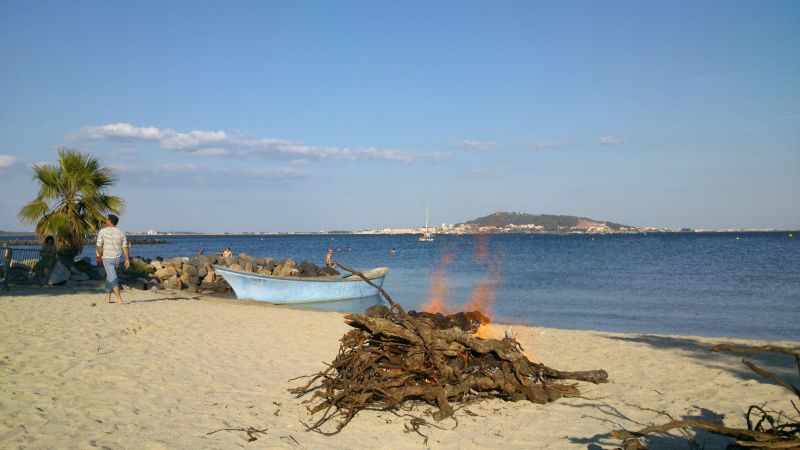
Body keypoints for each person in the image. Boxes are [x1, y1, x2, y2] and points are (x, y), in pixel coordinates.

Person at [96, 214, 130, 304]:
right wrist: (127, 259)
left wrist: (100, 254)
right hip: (118, 258)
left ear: (110, 221)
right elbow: (125, 246)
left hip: (107, 258)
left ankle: (119, 298)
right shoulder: (121, 232)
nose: (105, 221)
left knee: (112, 277)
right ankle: (108, 297)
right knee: (110, 276)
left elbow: (98, 245)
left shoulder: (102, 231)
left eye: (106, 219)